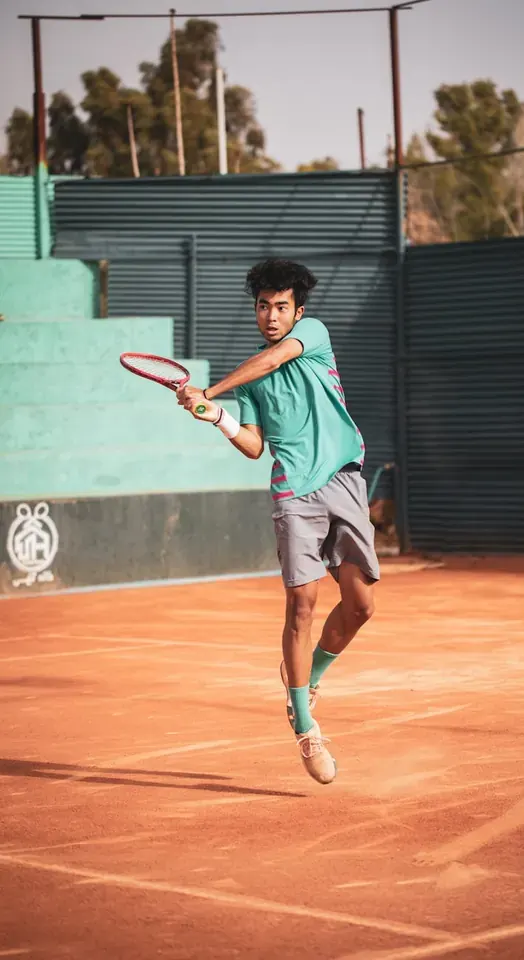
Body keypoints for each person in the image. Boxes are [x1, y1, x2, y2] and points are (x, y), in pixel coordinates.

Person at [177, 258, 379, 785]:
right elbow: (254, 446)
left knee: (360, 606)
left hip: (344, 481)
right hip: (293, 491)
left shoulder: (314, 336)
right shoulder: (250, 384)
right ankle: (305, 722)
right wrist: (218, 418)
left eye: (281, 306)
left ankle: (307, 677)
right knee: (302, 604)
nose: (271, 315)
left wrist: (210, 391)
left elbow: (271, 361)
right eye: (263, 306)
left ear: (298, 312)